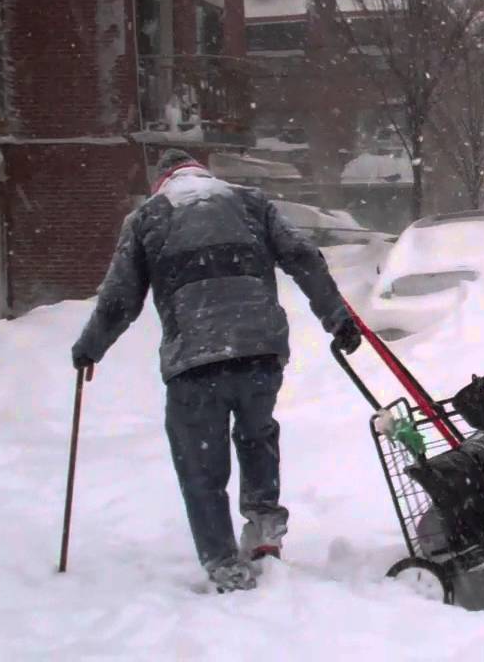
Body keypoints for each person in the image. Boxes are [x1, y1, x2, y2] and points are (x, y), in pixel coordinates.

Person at [70, 149, 362, 593]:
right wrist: (337, 317)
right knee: (256, 433)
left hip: (196, 360)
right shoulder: (249, 202)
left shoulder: (148, 218)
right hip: (259, 351)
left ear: (162, 181)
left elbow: (119, 298)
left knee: (200, 464)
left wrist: (90, 348)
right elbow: (303, 257)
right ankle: (264, 528)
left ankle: (225, 563)